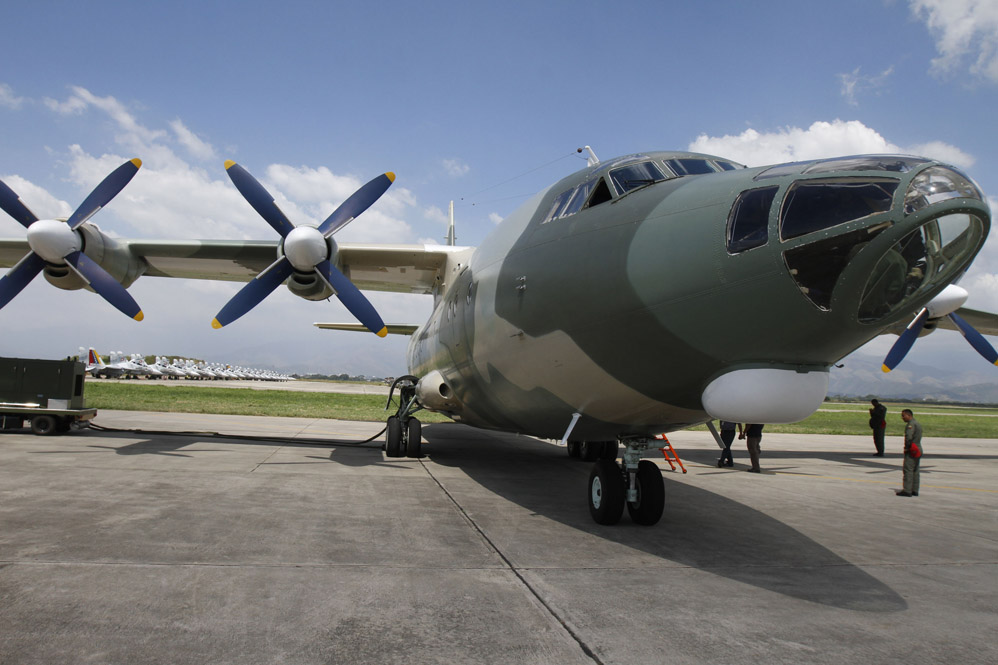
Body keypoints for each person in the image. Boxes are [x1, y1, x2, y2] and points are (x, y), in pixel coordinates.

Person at [898, 409, 923, 497]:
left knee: (908, 470)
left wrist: (907, 448)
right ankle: (915, 490)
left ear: (909, 415)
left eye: (903, 416)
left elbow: (909, 437)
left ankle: (907, 490)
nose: (902, 418)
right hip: (918, 448)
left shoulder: (911, 425)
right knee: (915, 470)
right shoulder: (917, 423)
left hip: (912, 449)